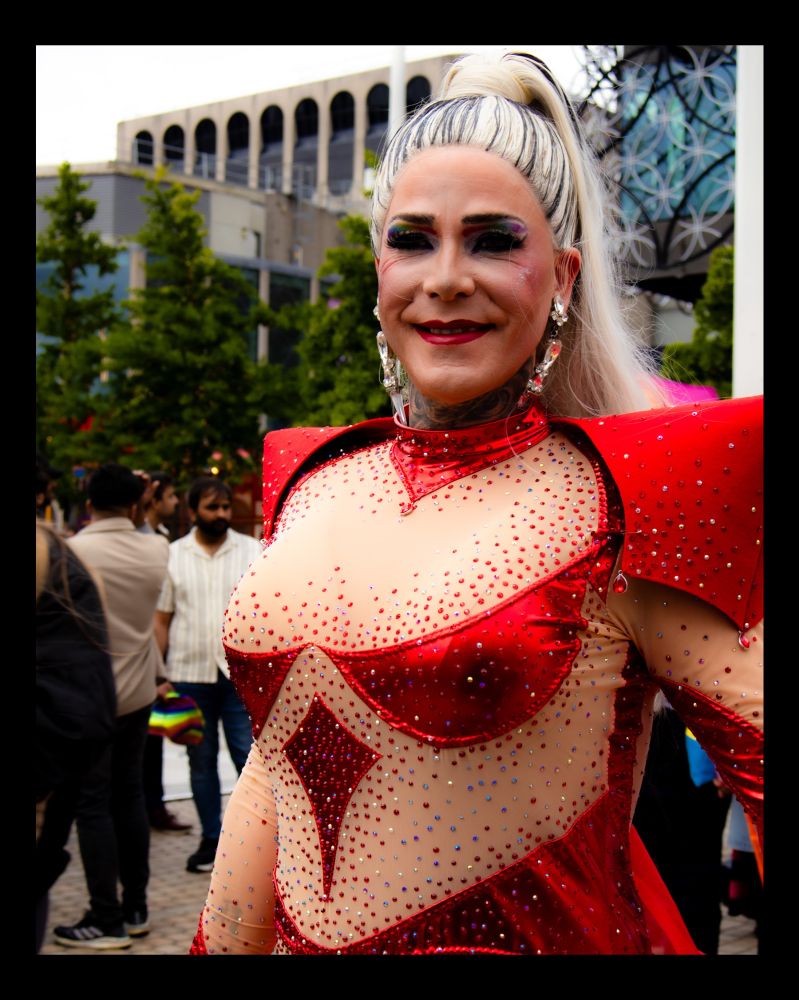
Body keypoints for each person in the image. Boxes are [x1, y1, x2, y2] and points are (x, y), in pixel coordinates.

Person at [190, 52, 763, 956]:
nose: (445, 276)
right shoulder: (310, 481)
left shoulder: (639, 495)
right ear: (377, 269)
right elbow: (272, 772)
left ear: (563, 277)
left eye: (493, 239)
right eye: (412, 239)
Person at [49, 463, 169, 949]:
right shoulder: (157, 548)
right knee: (130, 796)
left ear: (90, 502)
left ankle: (105, 916)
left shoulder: (69, 552)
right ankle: (136, 906)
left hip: (88, 697)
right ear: (136, 503)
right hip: (139, 690)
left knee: (92, 805)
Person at [155, 477, 262, 873]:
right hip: (186, 674)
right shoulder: (173, 556)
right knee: (198, 762)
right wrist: (160, 674)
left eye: (224, 508)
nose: (220, 515)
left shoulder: (252, 551)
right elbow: (161, 619)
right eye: (211, 508)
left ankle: (252, 841)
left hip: (238, 678)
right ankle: (211, 840)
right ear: (193, 509)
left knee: (246, 759)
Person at [36, 522, 117, 952]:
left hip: (78, 728)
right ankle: (122, 912)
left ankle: (111, 914)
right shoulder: (66, 556)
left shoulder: (60, 558)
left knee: (100, 810)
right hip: (120, 700)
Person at [137, 471, 191, 832]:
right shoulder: (148, 543)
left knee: (152, 743)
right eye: (169, 497)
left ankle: (152, 808)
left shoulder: (160, 538)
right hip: (140, 656)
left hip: (151, 657)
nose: (174, 504)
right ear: (153, 501)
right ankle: (146, 809)